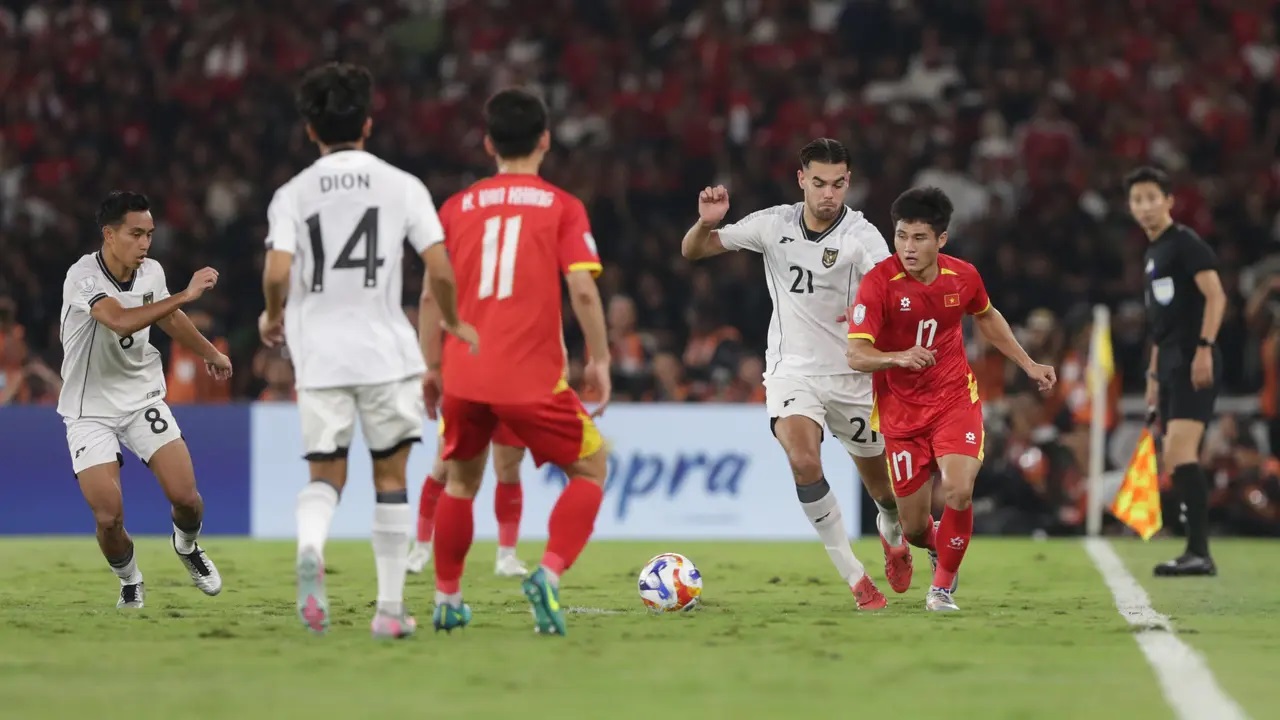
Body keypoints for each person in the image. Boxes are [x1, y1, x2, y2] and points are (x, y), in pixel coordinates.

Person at [258, 62, 475, 639]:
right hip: (385, 352)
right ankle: (389, 611)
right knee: (390, 477)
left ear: (310, 129)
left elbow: (276, 270)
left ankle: (311, 544)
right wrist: (453, 320)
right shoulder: (402, 185)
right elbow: (439, 268)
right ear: (368, 124)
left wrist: (273, 315)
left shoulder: (292, 194)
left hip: (319, 353)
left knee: (325, 475)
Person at [681, 138, 908, 611]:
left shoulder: (861, 236)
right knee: (804, 462)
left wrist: (874, 311)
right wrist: (706, 222)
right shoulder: (773, 224)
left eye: (838, 184)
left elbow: (894, 288)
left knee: (883, 491)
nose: (829, 194)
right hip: (792, 373)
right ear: (801, 179)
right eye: (819, 183)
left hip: (853, 375)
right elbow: (693, 251)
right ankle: (856, 579)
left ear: (849, 182)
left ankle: (890, 526)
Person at [428, 88, 611, 636]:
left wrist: (431, 366)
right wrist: (599, 358)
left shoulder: (455, 207)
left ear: (488, 143)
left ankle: (447, 600)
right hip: (530, 377)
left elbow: (430, 292)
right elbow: (582, 289)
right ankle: (547, 575)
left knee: (461, 484)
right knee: (592, 468)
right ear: (545, 140)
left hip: (464, 373)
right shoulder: (562, 206)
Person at [846, 187, 1056, 612]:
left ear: (941, 239)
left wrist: (1028, 363)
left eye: (919, 237)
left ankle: (940, 589)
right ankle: (936, 541)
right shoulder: (879, 283)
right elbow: (856, 354)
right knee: (915, 526)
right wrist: (898, 357)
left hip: (953, 400)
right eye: (901, 236)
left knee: (959, 491)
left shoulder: (963, 277)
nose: (908, 247)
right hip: (901, 413)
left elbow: (987, 316)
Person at [59, 190, 231, 609]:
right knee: (108, 517)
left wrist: (209, 352)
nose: (145, 243)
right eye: (135, 234)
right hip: (88, 410)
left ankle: (187, 546)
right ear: (109, 234)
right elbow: (119, 320)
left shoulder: (151, 273)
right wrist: (187, 294)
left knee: (187, 499)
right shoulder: (83, 276)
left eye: (149, 234)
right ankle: (130, 579)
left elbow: (168, 316)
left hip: (141, 399)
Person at [1127, 166, 1227, 576]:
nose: (1145, 206)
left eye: (1152, 197)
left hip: (1191, 358)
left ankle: (1199, 552)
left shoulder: (1186, 244)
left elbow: (1216, 297)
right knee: (1173, 457)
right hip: (1168, 362)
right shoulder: (1153, 253)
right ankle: (1194, 548)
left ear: (1169, 201)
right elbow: (1160, 326)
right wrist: (1153, 376)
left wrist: (1204, 348)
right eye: (1137, 199)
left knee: (1182, 452)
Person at [408, 287, 528, 578]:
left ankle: (506, 555)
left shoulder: (517, 274)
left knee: (507, 468)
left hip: (509, 376)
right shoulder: (464, 272)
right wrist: (433, 364)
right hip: (470, 377)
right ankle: (421, 547)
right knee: (445, 466)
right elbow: (435, 304)